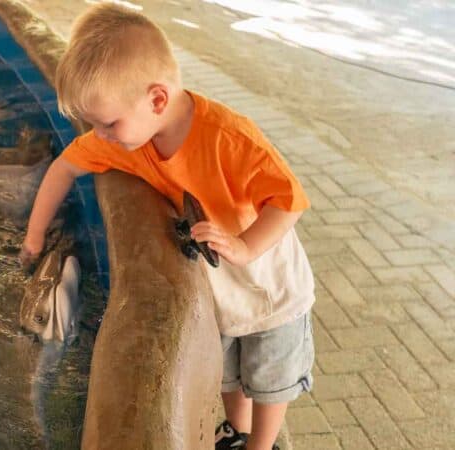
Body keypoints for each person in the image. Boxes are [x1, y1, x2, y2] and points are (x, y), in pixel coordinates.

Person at [19, 4, 315, 450]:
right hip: (224, 289)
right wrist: (33, 239)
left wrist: (244, 246)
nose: (101, 136)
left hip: (269, 284)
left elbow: (289, 201)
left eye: (108, 123)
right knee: (230, 372)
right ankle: (237, 430)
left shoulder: (228, 137)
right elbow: (63, 169)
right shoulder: (128, 140)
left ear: (157, 99)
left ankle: (263, 445)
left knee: (270, 380)